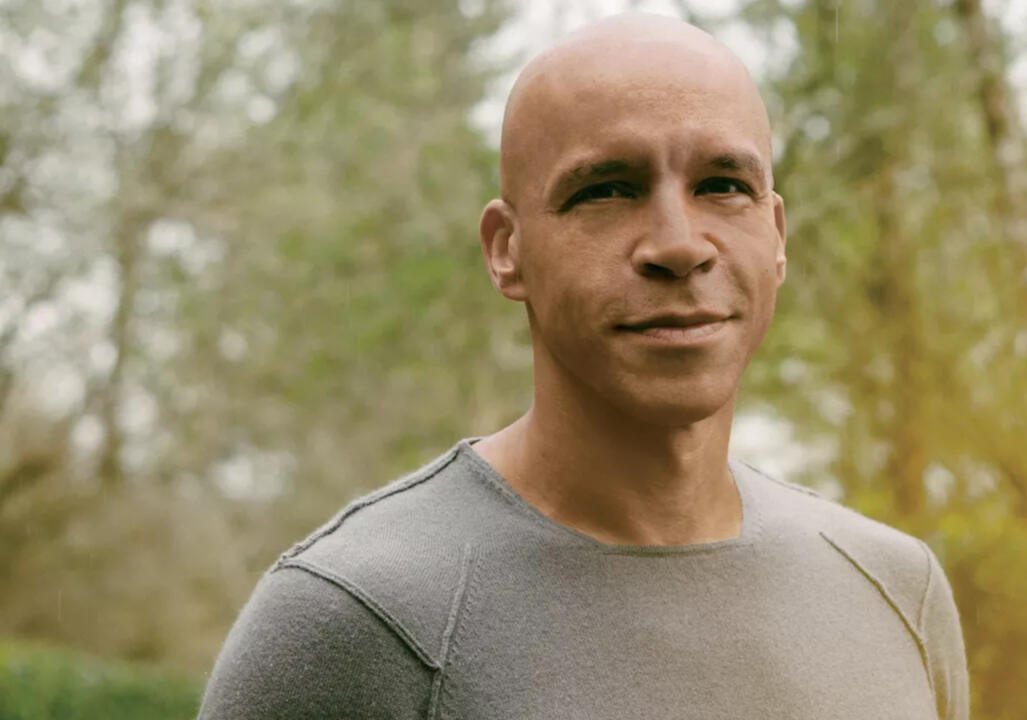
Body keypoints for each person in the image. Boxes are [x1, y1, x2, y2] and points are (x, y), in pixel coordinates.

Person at [197, 12, 969, 720]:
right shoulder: (359, 618)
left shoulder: (897, 591)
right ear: (508, 249)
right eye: (607, 190)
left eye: (723, 186)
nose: (678, 244)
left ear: (775, 234)